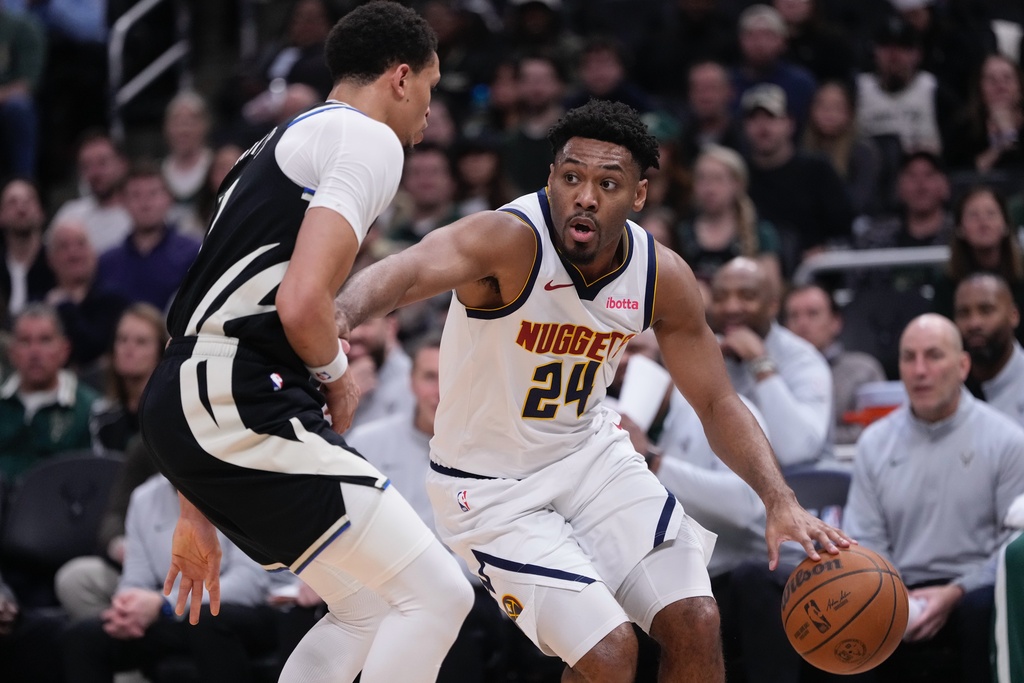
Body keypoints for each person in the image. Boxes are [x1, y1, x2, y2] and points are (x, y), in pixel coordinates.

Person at [335, 98, 850, 681]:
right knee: (609, 653)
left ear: (637, 197)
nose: (585, 195)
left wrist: (779, 499)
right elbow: (408, 268)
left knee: (697, 619)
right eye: (572, 177)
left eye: (608, 183)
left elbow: (716, 400)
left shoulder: (661, 275)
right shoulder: (507, 240)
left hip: (590, 457)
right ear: (551, 179)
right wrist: (340, 315)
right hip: (490, 488)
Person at [137, 4, 473, 683]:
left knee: (368, 605)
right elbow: (299, 302)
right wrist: (340, 374)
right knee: (440, 593)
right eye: (432, 91)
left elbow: (204, 313)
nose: (430, 114)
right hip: (233, 396)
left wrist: (196, 500)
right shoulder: (368, 139)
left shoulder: (273, 145)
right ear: (401, 78)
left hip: (201, 399)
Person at [844, 314, 1024, 683]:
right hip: (896, 583)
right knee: (848, 614)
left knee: (980, 607)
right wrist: (894, 594)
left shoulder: (1007, 440)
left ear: (962, 366)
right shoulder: (875, 442)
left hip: (975, 586)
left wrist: (956, 590)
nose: (919, 370)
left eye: (933, 356)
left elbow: (1013, 544)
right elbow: (864, 537)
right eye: (908, 358)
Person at [60, 473, 280, 683]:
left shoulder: (242, 487)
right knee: (83, 638)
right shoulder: (145, 497)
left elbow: (250, 583)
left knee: (207, 621)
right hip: (175, 616)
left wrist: (164, 604)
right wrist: (126, 609)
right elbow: (136, 578)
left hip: (245, 613)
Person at [707, 257, 833, 469]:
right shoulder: (704, 355)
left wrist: (760, 364)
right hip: (724, 490)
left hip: (804, 490)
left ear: (773, 305)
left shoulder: (803, 359)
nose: (731, 307)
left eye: (746, 296)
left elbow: (796, 451)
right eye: (720, 297)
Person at [742, 83, 854, 276]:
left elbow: (846, 229)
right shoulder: (739, 175)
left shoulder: (817, 169)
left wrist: (825, 251)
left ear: (790, 123)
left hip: (812, 276)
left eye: (771, 117)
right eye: (754, 118)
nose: (763, 126)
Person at [0, 303, 98, 480]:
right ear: (12, 352)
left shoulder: (91, 409)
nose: (35, 352)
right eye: (25, 341)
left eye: (45, 340)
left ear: (64, 350)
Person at [783, 283, 886, 445]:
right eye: (794, 316)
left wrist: (807, 440)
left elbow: (875, 431)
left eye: (813, 314)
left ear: (835, 322)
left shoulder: (863, 370)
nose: (802, 324)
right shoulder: (772, 375)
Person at [95, 162, 201, 311]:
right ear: (123, 202)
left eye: (153, 193)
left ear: (169, 198)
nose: (145, 203)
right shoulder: (106, 263)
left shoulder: (194, 253)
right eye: (136, 195)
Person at [674, 144, 783, 285]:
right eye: (702, 179)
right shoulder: (682, 231)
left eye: (717, 179)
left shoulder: (760, 233)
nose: (709, 188)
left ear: (737, 184)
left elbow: (771, 288)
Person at [932, 185, 1024, 343]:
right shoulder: (946, 285)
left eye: (991, 214)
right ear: (960, 228)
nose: (983, 222)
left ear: (1006, 225)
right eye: (973, 216)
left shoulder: (1021, 277)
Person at [44, 219, 129, 374]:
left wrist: (65, 306)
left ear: (93, 253)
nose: (74, 253)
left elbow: (93, 348)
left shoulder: (115, 301)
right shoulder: (41, 306)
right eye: (64, 247)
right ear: (50, 259)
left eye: (81, 244)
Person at [801, 80, 883, 216]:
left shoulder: (863, 152)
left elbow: (859, 202)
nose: (829, 113)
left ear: (849, 113)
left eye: (837, 107)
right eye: (823, 107)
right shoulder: (803, 151)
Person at [953, 272, 1024, 425]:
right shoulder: (946, 387)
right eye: (964, 313)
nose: (974, 323)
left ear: (1014, 316)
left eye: (986, 310)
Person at [50, 131, 131, 255]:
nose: (95, 173)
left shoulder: (141, 215)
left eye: (102, 163)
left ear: (122, 165)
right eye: (86, 166)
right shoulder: (70, 215)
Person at [947, 54, 1024, 175]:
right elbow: (957, 174)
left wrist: (1009, 133)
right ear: (979, 88)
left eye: (1007, 78)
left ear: (1019, 86)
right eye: (991, 80)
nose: (1000, 86)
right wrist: (997, 150)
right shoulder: (963, 127)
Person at [0, 178, 54, 326]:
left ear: (42, 212)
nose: (21, 208)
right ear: (1, 215)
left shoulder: (56, 265)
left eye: (28, 201)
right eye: (12, 202)